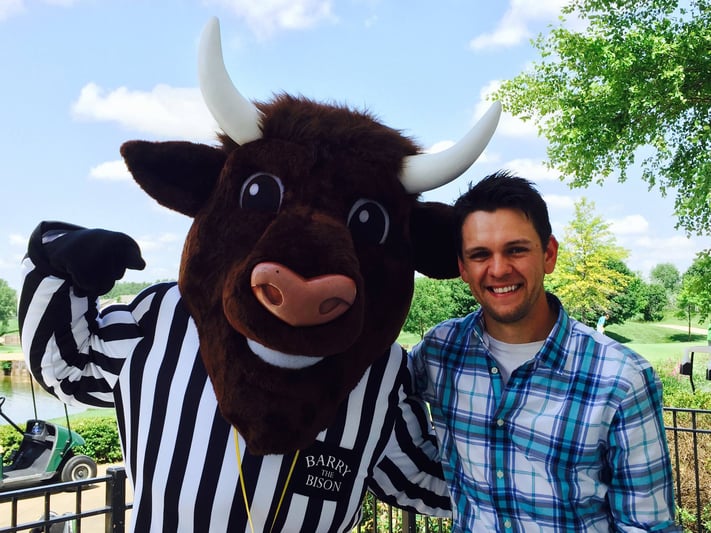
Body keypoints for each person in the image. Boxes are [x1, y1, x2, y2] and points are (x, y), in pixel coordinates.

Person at [409, 171, 679, 532]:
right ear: (462, 268)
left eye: (516, 249)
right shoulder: (439, 352)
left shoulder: (622, 378)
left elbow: (647, 525)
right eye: (479, 255)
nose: (499, 269)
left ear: (549, 254)